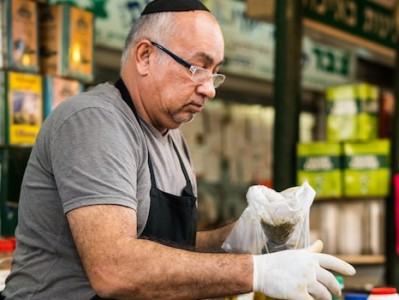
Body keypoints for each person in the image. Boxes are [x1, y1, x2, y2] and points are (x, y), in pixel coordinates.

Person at [2, 0, 356, 299]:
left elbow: (169, 247)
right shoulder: (94, 121)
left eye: (215, 73)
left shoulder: (173, 138)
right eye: (198, 68)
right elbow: (114, 268)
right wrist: (256, 270)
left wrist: (241, 236)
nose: (210, 89)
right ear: (144, 56)